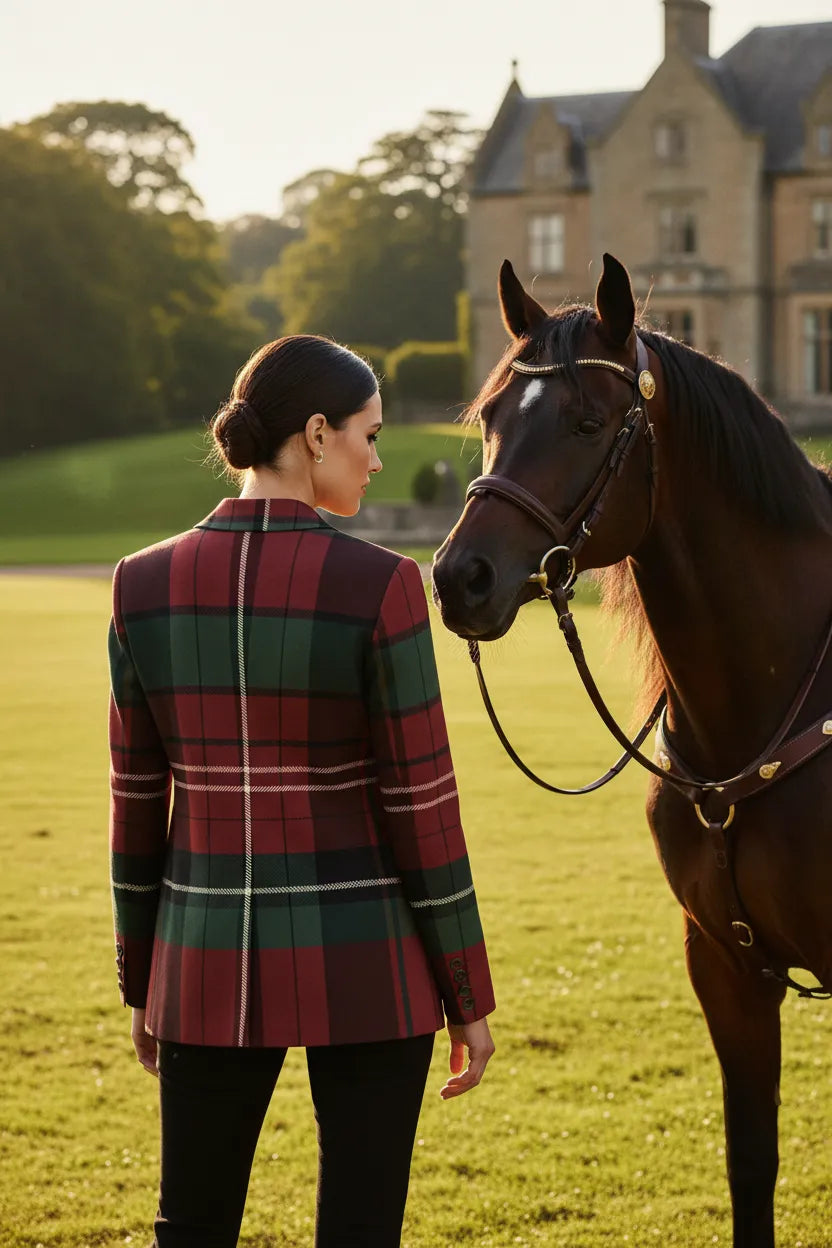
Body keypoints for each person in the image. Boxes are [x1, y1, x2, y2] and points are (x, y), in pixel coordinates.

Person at [107, 334, 496, 1248]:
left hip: (201, 961)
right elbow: (423, 810)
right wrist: (467, 993)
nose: (377, 458)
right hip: (369, 960)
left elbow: (135, 806)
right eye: (371, 434)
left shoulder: (140, 583)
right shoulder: (384, 586)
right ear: (317, 435)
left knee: (191, 1227)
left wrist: (143, 979)